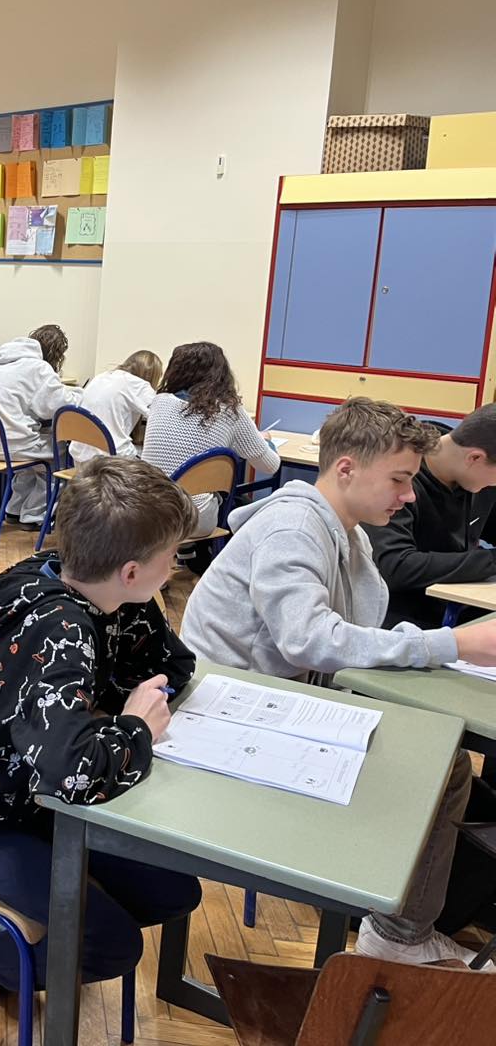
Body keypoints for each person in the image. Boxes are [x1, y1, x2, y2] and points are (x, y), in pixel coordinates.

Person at [181, 397, 496, 965]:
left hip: (272, 699)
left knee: (441, 761)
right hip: (230, 713)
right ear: (346, 468)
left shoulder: (345, 531)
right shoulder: (295, 527)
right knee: (427, 767)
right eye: (399, 480)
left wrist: (438, 650)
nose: (408, 496)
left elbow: (350, 634)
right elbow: (310, 639)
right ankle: (395, 932)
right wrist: (451, 644)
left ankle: (399, 926)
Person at [0, 457, 201, 1045]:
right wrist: (133, 729)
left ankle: (17, 934)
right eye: (172, 557)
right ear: (132, 571)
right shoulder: (58, 631)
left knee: (174, 891)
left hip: (27, 799)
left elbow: (172, 665)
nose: (175, 567)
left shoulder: (117, 597)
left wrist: (120, 697)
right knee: (109, 943)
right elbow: (72, 775)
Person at [365, 404, 496, 628]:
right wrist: (491, 561)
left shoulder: (477, 476)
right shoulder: (398, 477)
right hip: (403, 618)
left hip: (455, 604)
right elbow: (395, 566)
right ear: (475, 458)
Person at [141, 341, 279, 538]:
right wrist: (266, 441)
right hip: (193, 519)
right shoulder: (229, 411)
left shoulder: (159, 402)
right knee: (239, 503)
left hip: (148, 511)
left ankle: (187, 551)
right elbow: (270, 466)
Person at [0, 324, 82, 526]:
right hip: (11, 446)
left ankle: (14, 509)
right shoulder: (38, 368)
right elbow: (56, 406)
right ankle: (34, 515)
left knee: (30, 464)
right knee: (59, 456)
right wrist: (81, 395)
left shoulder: (3, 362)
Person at [69, 350, 163, 463]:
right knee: (151, 457)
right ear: (151, 375)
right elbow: (162, 414)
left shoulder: (101, 376)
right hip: (111, 462)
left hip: (80, 457)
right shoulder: (139, 385)